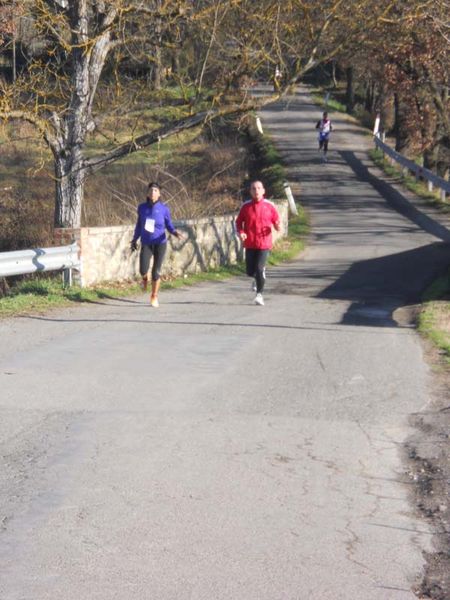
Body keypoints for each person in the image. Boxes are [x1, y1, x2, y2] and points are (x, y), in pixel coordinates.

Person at [130, 182, 183, 307]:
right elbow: (139, 225)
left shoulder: (164, 209)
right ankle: (144, 278)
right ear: (147, 193)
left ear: (159, 194)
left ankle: (154, 295)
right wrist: (134, 239)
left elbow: (169, 225)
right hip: (146, 243)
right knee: (143, 269)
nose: (153, 192)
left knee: (156, 272)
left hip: (160, 243)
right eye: (151, 190)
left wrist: (175, 233)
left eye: (155, 190)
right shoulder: (142, 208)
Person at [236, 180, 280, 306]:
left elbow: (277, 223)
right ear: (250, 191)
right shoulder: (246, 206)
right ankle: (257, 278)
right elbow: (238, 223)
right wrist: (241, 232)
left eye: (259, 188)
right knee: (250, 271)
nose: (256, 191)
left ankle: (259, 295)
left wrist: (277, 226)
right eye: (254, 188)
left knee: (259, 268)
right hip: (250, 243)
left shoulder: (269, 206)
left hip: (264, 243)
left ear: (263, 191)